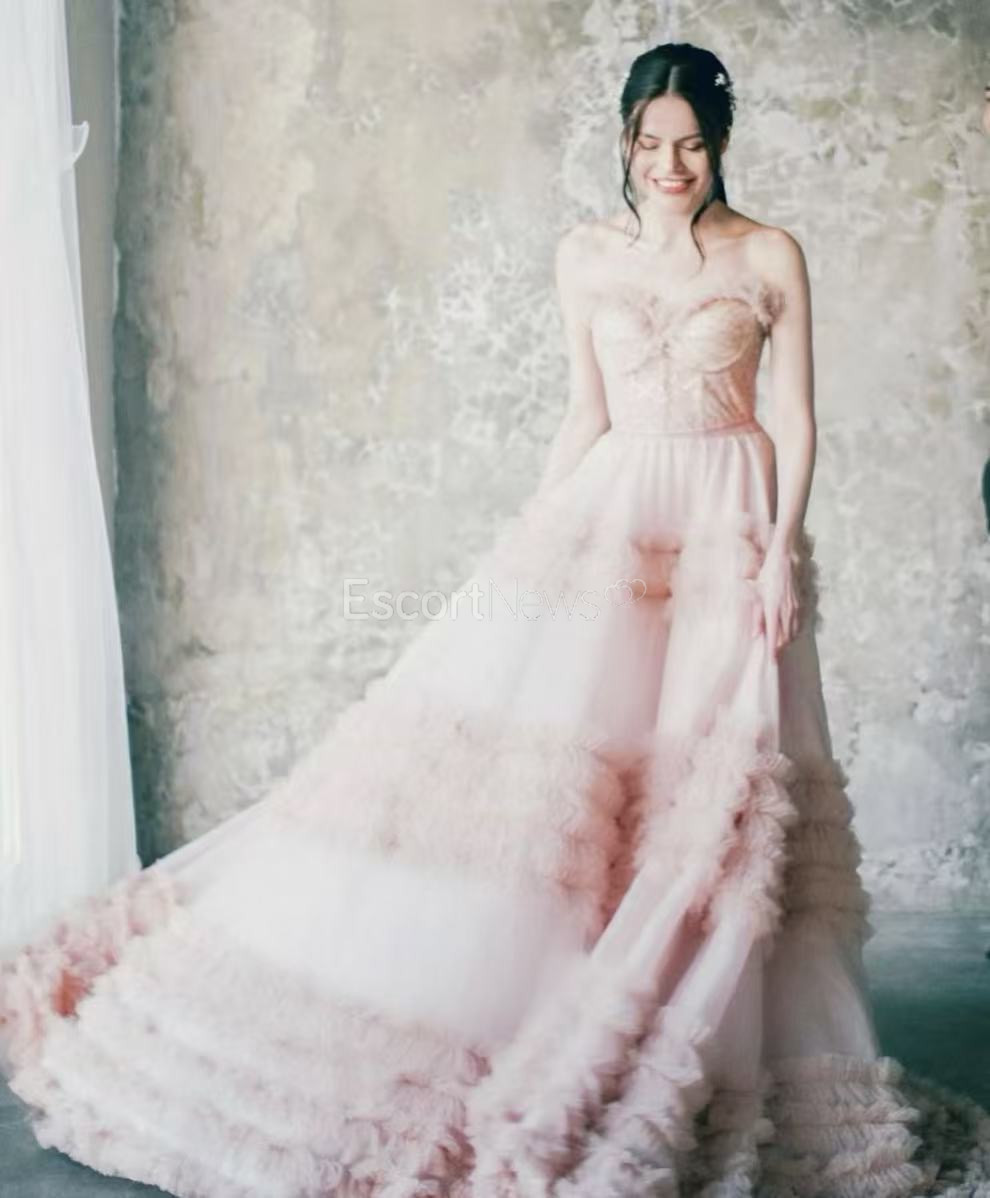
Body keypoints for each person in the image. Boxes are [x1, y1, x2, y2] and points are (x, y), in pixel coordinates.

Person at [0, 41, 975, 1198]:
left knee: (716, 781)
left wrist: (778, 551)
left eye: (691, 146)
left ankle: (706, 1025)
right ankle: (570, 994)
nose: (670, 166)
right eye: (651, 144)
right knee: (575, 770)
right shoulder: (586, 256)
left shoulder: (769, 253)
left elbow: (798, 417)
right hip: (614, 516)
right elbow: (585, 411)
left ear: (720, 146)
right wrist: (537, 539)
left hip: (730, 525)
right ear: (626, 143)